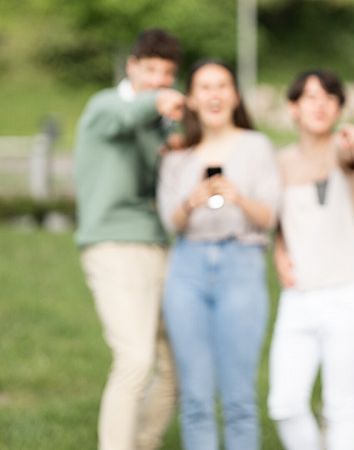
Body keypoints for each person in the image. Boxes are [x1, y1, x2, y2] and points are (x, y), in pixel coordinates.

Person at [156, 60, 280, 450]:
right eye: (204, 87)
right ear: (191, 99)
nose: (214, 94)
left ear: (235, 95)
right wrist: (191, 201)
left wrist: (238, 196)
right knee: (195, 398)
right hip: (187, 269)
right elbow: (169, 222)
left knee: (239, 398)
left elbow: (269, 217)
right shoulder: (177, 154)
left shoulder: (256, 146)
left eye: (222, 85)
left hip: (240, 264)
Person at [74, 28, 184, 450]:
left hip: (158, 246)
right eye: (151, 69)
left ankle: (142, 441)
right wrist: (157, 104)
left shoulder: (159, 122)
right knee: (135, 361)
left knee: (173, 367)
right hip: (113, 247)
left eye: (167, 73)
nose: (158, 80)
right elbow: (125, 117)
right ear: (132, 66)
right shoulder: (106, 105)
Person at [267, 70, 354, 450]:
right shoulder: (279, 162)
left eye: (329, 96)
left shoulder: (344, 148)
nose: (320, 104)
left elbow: (350, 157)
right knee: (284, 404)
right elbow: (278, 221)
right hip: (298, 295)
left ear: (339, 109)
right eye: (310, 97)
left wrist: (351, 147)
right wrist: (279, 253)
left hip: (348, 291)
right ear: (293, 108)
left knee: (341, 406)